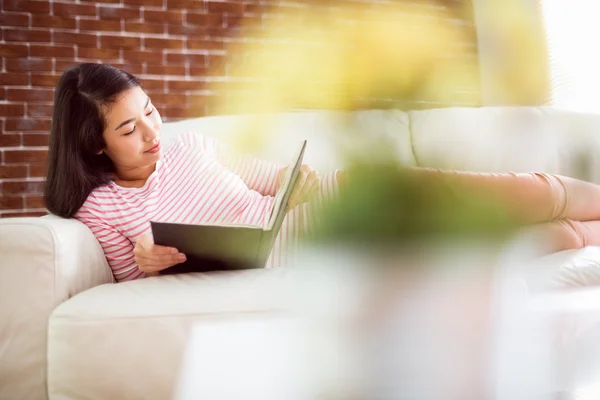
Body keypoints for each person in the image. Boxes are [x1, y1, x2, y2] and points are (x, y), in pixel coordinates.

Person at [44, 63, 600, 283]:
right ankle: (586, 234)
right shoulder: (102, 208)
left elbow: (273, 177)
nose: (151, 133)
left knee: (482, 195)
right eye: (128, 130)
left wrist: (299, 176)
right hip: (314, 247)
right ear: (94, 146)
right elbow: (127, 278)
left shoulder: (192, 145)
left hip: (338, 200)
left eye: (150, 112)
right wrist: (146, 262)